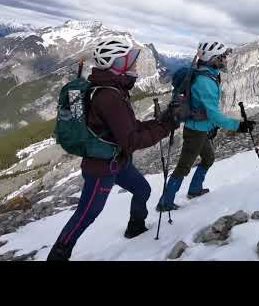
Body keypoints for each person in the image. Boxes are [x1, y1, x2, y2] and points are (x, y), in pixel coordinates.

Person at [47, 38, 177, 261]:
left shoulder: (113, 90)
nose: (134, 66)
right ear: (114, 64)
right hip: (102, 168)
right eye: (128, 61)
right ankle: (58, 255)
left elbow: (130, 127)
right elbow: (131, 140)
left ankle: (135, 228)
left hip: (117, 161)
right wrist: (166, 126)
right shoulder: (109, 96)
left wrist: (162, 121)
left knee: (142, 190)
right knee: (87, 214)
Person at [156, 41, 255, 212]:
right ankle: (165, 202)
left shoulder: (207, 74)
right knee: (183, 167)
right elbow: (214, 114)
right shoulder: (205, 81)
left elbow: (205, 110)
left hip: (200, 128)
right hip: (195, 131)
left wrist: (210, 127)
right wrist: (238, 126)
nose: (225, 59)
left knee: (208, 158)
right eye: (222, 57)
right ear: (212, 59)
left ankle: (194, 190)